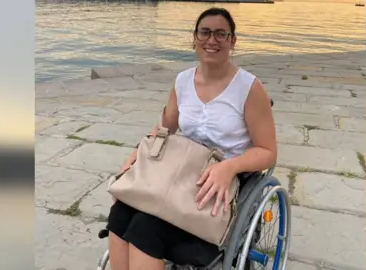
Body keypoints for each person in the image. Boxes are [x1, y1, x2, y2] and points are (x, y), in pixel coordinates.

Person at [107, 7, 277, 270]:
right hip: (181, 170)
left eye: (221, 34)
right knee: (120, 213)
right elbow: (164, 129)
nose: (212, 40)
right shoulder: (182, 82)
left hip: (221, 181)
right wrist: (133, 161)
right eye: (205, 32)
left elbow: (267, 151)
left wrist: (228, 167)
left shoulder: (249, 88)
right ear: (194, 38)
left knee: (146, 228)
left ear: (233, 41)